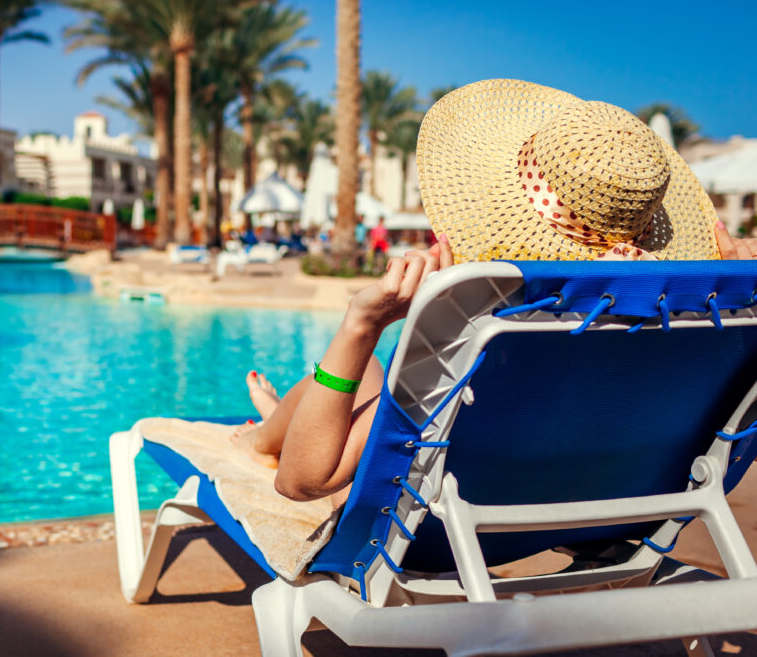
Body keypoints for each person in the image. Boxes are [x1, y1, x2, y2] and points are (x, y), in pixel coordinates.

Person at [230, 78, 757, 505]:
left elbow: (302, 482)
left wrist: (360, 326)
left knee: (364, 372)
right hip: (611, 513)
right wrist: (740, 295)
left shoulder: (481, 341)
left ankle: (260, 437)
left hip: (449, 529)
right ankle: (275, 421)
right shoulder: (693, 336)